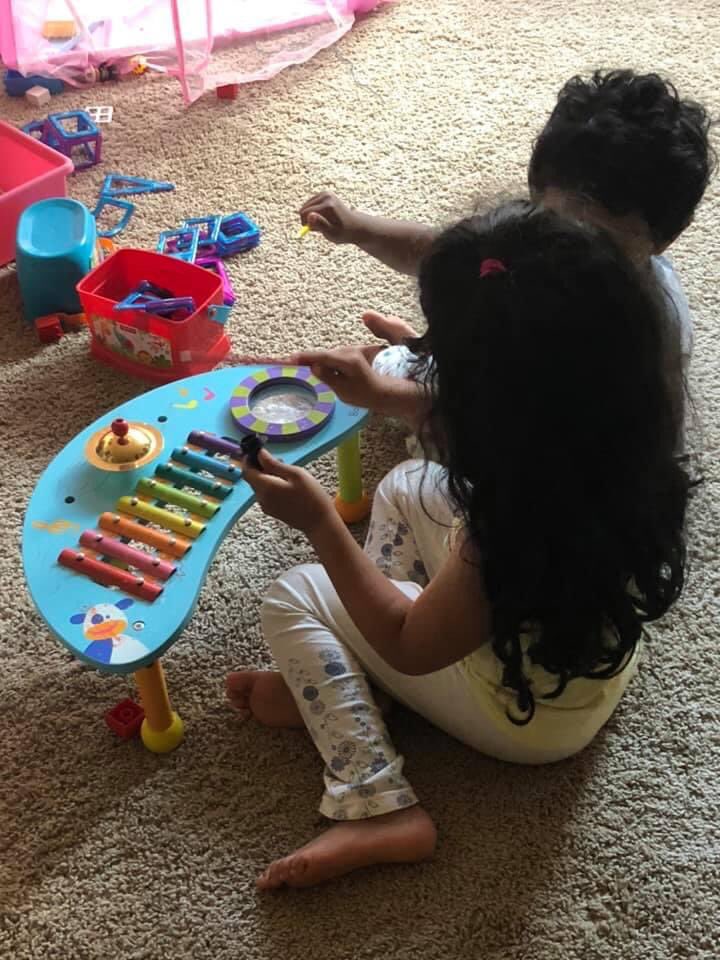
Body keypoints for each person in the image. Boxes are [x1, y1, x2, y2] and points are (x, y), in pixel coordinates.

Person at [227, 201, 691, 889]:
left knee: (292, 592)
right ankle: (369, 683)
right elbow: (506, 426)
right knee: (413, 481)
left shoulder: (512, 525)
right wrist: (385, 394)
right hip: (579, 656)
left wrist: (321, 522)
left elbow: (414, 643)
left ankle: (373, 800)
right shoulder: (616, 434)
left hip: (528, 719)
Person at [294, 70, 714, 419]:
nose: (565, 255)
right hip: (522, 394)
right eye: (551, 224)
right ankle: (418, 360)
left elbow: (510, 435)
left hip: (570, 467)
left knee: (413, 488)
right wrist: (358, 228)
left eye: (601, 243)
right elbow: (445, 255)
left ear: (666, 237)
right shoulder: (533, 249)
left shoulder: (624, 343)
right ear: (534, 195)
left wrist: (383, 397)